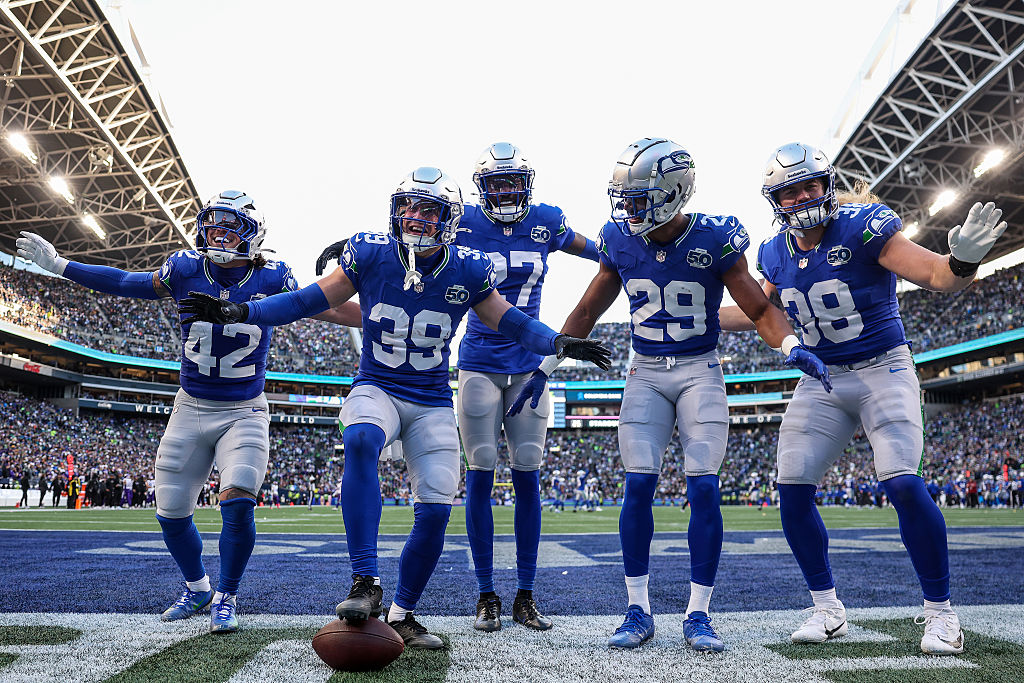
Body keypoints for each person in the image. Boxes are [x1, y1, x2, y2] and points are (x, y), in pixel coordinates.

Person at [177, 167, 610, 649]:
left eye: (429, 210)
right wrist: (244, 311)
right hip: (377, 385)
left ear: (450, 220)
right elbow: (305, 300)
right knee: (360, 437)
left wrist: (559, 342)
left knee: (440, 500)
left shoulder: (467, 268)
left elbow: (510, 322)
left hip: (430, 398)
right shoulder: (370, 253)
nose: (415, 217)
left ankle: (403, 612)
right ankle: (365, 581)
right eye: (408, 207)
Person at [510, 138, 831, 652]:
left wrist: (791, 347)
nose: (628, 208)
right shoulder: (620, 239)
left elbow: (756, 307)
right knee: (637, 487)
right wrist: (546, 364)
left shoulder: (715, 237)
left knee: (703, 488)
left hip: (700, 370)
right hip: (645, 373)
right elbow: (587, 310)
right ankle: (637, 608)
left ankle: (698, 614)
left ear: (674, 192)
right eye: (626, 198)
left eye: (640, 197)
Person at [16, 190, 353, 633]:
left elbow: (319, 306)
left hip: (244, 410)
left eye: (230, 226)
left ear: (253, 234)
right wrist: (62, 266)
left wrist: (384, 312)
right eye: (212, 224)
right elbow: (124, 281)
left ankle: (226, 595)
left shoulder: (273, 276)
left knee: (237, 501)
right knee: (171, 511)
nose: (217, 233)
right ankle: (197, 587)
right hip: (190, 405)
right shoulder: (185, 267)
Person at [721, 142, 1007, 655]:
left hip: (884, 368)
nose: (805, 194)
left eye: (812, 183)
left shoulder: (862, 225)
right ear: (775, 200)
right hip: (822, 378)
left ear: (827, 183)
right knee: (791, 486)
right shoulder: (772, 253)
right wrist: (690, 313)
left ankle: (941, 614)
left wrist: (962, 258)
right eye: (792, 189)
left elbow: (937, 277)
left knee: (901, 480)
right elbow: (761, 310)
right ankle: (827, 609)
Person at [314, 143, 601, 633]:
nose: (506, 191)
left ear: (527, 184)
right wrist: (352, 247)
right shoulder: (459, 217)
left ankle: (526, 594)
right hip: (479, 360)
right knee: (480, 475)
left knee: (528, 475)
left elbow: (601, 254)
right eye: (496, 182)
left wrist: (636, 258)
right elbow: (411, 225)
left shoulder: (547, 221)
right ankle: (487, 594)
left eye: (514, 182)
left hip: (531, 360)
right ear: (480, 187)